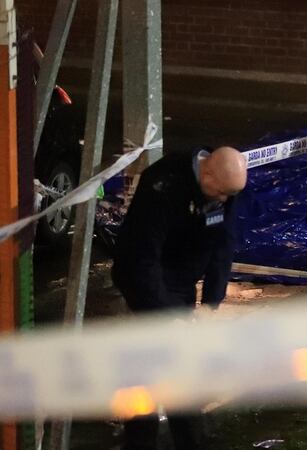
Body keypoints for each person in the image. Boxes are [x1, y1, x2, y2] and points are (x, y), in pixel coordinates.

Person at [111, 145, 247, 450]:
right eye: (222, 194)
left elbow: (223, 244)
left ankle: (190, 440)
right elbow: (142, 261)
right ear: (207, 173)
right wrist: (164, 315)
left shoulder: (225, 185)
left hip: (182, 282)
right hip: (145, 280)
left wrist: (211, 303)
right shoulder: (162, 186)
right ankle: (140, 442)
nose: (225, 200)